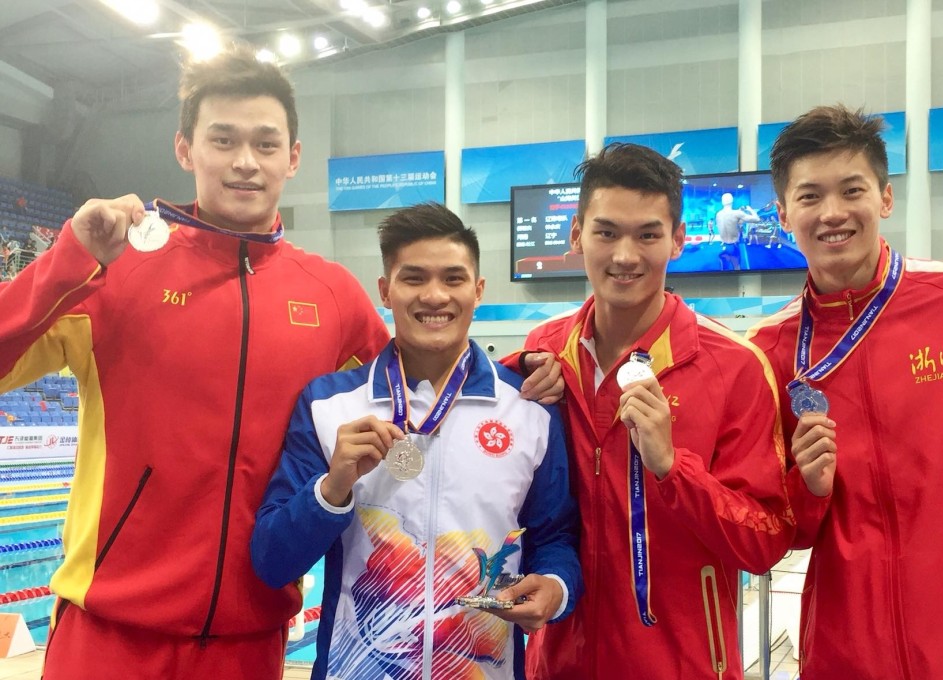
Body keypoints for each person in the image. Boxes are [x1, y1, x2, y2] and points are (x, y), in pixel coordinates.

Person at [0, 44, 391, 680]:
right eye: (223, 140)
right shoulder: (114, 271)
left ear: (293, 157)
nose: (245, 161)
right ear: (185, 149)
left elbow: (416, 407)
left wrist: (525, 376)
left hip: (248, 645)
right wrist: (66, 262)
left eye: (266, 144)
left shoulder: (333, 298)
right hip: (109, 638)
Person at [251, 201, 582, 680]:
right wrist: (331, 489)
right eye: (414, 278)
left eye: (453, 278)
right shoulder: (328, 405)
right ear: (385, 291)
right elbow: (272, 561)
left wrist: (555, 585)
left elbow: (556, 536)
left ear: (478, 290)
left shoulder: (530, 408)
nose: (434, 296)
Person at [746, 104, 943, 679]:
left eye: (852, 190)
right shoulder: (767, 352)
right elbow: (778, 528)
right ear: (784, 213)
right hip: (847, 653)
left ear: (885, 198)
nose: (833, 213)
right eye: (810, 196)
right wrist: (807, 488)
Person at [513, 143, 794, 679]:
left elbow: (765, 542)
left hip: (684, 666)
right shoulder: (544, 352)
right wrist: (512, 367)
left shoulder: (733, 366)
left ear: (678, 239)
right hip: (559, 664)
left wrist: (672, 467)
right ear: (576, 235)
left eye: (647, 235)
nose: (625, 256)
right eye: (606, 233)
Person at [716, 191, 760, 270]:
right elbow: (757, 219)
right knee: (737, 269)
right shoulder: (737, 213)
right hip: (733, 246)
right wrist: (750, 209)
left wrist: (739, 214)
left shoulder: (718, 214)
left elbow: (731, 223)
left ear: (722, 202)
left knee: (723, 270)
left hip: (722, 245)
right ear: (732, 201)